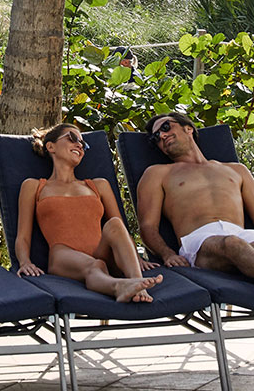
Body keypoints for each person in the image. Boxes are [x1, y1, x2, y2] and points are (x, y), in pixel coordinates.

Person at [134, 111, 254, 313]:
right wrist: (167, 254)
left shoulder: (237, 170)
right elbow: (147, 226)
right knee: (232, 244)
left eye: (166, 127)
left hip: (243, 236)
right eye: (156, 138)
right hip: (199, 241)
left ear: (188, 128)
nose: (162, 136)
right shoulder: (157, 174)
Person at [14, 122, 162, 304]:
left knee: (114, 224)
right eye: (72, 138)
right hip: (63, 255)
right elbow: (23, 236)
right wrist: (24, 262)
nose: (79, 145)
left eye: (83, 144)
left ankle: (138, 283)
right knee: (95, 265)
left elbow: (120, 228)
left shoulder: (98, 185)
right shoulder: (34, 186)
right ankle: (120, 287)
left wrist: (135, 257)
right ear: (50, 146)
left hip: (102, 252)